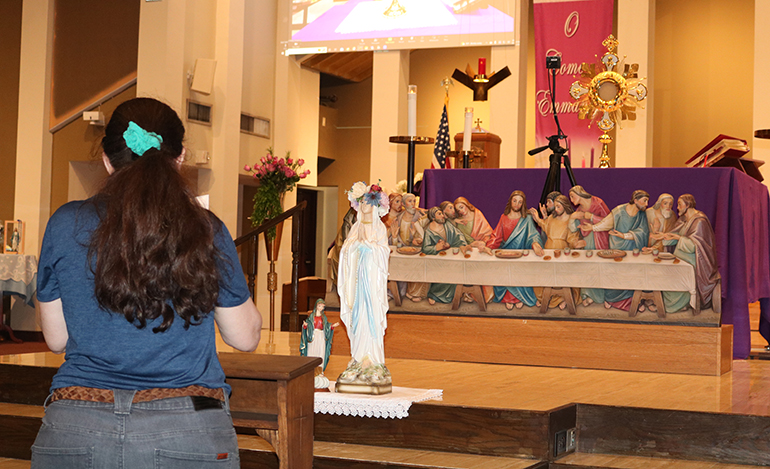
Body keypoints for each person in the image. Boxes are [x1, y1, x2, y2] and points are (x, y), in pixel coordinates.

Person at [33, 97, 262, 468]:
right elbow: (244, 336)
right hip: (186, 426)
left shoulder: (64, 224)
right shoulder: (206, 228)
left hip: (77, 424)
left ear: (107, 160)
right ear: (181, 156)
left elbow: (56, 339)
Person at [337, 182, 392, 392]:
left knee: (371, 320)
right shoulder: (355, 227)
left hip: (372, 285)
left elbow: (383, 252)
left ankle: (373, 360)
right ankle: (358, 358)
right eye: (361, 204)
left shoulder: (379, 228)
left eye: (368, 203)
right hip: (357, 285)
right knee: (358, 318)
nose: (364, 207)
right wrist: (353, 248)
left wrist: (368, 247)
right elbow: (345, 251)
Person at [582, 189, 650, 311]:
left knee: (631, 275)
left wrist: (624, 236)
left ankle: (632, 301)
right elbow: (606, 224)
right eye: (644, 201)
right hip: (617, 249)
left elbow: (643, 232)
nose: (646, 204)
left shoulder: (641, 214)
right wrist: (593, 227)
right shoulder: (619, 211)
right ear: (635, 200)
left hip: (633, 250)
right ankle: (611, 300)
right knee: (615, 274)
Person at [659, 194, 721, 313]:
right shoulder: (684, 219)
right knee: (667, 274)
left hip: (696, 261)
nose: (677, 208)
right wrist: (663, 237)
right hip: (681, 259)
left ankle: (679, 305)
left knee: (675, 276)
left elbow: (695, 247)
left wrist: (678, 238)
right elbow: (676, 234)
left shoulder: (699, 221)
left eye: (679, 205)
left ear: (687, 205)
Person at [487, 190, 544, 310]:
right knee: (505, 272)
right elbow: (496, 236)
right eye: (515, 201)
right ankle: (508, 298)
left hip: (521, 254)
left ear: (523, 204)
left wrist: (535, 244)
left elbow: (533, 235)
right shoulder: (504, 218)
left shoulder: (526, 218)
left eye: (520, 202)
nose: (517, 204)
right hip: (505, 254)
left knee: (521, 272)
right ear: (510, 201)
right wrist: (488, 247)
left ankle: (520, 298)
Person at [422, 207, 469, 305]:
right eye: (439, 214)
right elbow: (425, 248)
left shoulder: (447, 225)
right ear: (433, 217)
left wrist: (461, 244)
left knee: (456, 269)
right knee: (443, 272)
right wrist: (436, 248)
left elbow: (458, 234)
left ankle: (456, 295)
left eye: (442, 214)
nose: (443, 216)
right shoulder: (429, 231)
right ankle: (434, 295)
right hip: (436, 260)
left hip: (450, 256)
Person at [397, 193, 428, 302]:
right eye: (410, 201)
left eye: (414, 201)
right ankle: (401, 292)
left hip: (417, 249)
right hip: (403, 249)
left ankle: (414, 292)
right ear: (403, 204)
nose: (413, 204)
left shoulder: (420, 216)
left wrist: (418, 241)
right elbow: (395, 234)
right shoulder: (399, 217)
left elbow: (425, 234)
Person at [300, 299, 339, 373]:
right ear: (316, 306)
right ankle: (310, 369)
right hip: (313, 336)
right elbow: (308, 325)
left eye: (322, 307)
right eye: (319, 306)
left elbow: (326, 326)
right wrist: (305, 326)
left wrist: (332, 326)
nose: (321, 308)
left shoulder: (323, 317)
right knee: (312, 351)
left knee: (321, 351)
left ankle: (320, 370)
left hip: (321, 336)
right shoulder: (311, 317)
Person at [568, 185, 610, 250]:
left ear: (579, 193)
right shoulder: (579, 210)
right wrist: (571, 218)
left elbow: (609, 221)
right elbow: (573, 229)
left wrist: (592, 217)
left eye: (572, 196)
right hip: (587, 241)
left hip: (600, 240)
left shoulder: (597, 203)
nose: (571, 200)